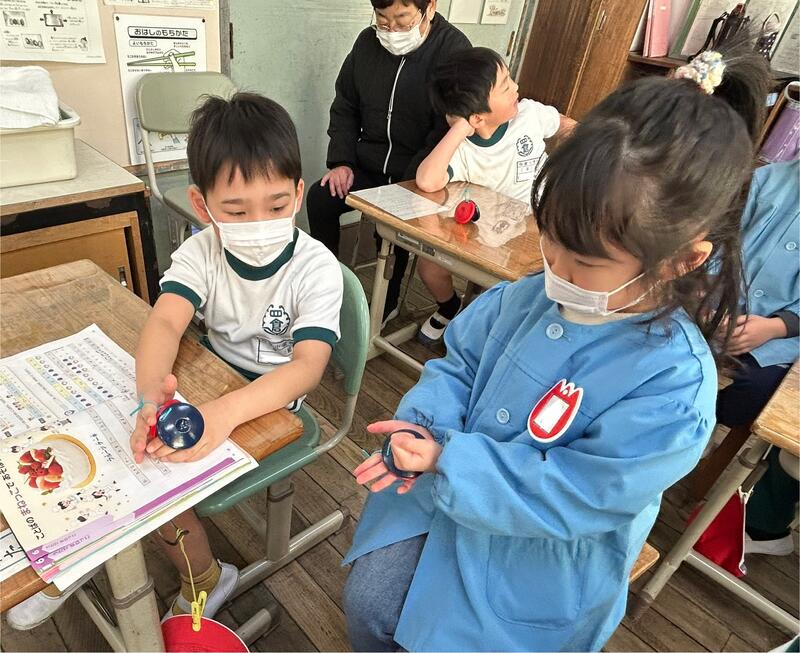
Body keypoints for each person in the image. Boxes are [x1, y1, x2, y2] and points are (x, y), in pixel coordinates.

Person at [343, 49, 770, 651]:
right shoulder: (526, 297)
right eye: (551, 239)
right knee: (370, 606)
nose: (554, 270)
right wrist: (424, 427)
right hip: (440, 483)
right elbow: (459, 364)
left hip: (537, 558)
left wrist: (450, 461)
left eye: (585, 262)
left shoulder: (673, 385)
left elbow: (579, 493)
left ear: (682, 261)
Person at [6, 92, 343, 630]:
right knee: (125, 443)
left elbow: (306, 367)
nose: (259, 222)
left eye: (278, 205)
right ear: (202, 205)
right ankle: (76, 554)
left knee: (158, 479)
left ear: (299, 193)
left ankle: (197, 577)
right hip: (212, 383)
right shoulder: (203, 251)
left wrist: (225, 413)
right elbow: (164, 322)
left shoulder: (315, 267)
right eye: (236, 211)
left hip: (272, 401)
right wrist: (148, 395)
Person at [306, 0, 470, 326]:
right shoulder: (367, 43)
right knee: (321, 197)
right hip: (367, 166)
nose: (391, 30)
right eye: (382, 19)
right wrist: (342, 161)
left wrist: (406, 187)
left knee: (392, 225)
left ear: (429, 8)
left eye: (402, 19)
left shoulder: (454, 52)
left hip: (417, 175)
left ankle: (387, 303)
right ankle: (323, 290)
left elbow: (444, 131)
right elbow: (346, 105)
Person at [414, 46, 575, 343]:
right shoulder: (464, 150)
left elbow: (566, 126)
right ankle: (450, 307)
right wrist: (460, 128)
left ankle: (490, 326)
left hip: (541, 226)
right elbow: (427, 180)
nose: (515, 87)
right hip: (487, 232)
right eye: (504, 86)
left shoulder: (529, 114)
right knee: (429, 264)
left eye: (510, 78)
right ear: (477, 117)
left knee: (509, 294)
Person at [715, 159, 799, 556]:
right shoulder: (769, 179)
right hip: (717, 304)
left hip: (782, 336)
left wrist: (775, 327)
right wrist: (710, 300)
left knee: (753, 387)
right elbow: (720, 241)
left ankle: (701, 437)